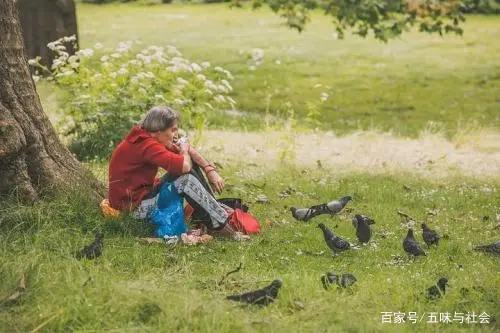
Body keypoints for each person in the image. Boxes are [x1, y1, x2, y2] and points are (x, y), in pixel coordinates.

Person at [108, 105, 244, 240]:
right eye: (172, 130)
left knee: (190, 167)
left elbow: (188, 151)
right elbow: (185, 166)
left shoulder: (146, 136)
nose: (176, 135)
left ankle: (215, 218)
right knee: (185, 178)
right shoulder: (148, 145)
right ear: (158, 131)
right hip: (133, 209)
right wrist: (184, 150)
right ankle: (220, 226)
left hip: (140, 197)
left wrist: (209, 169)